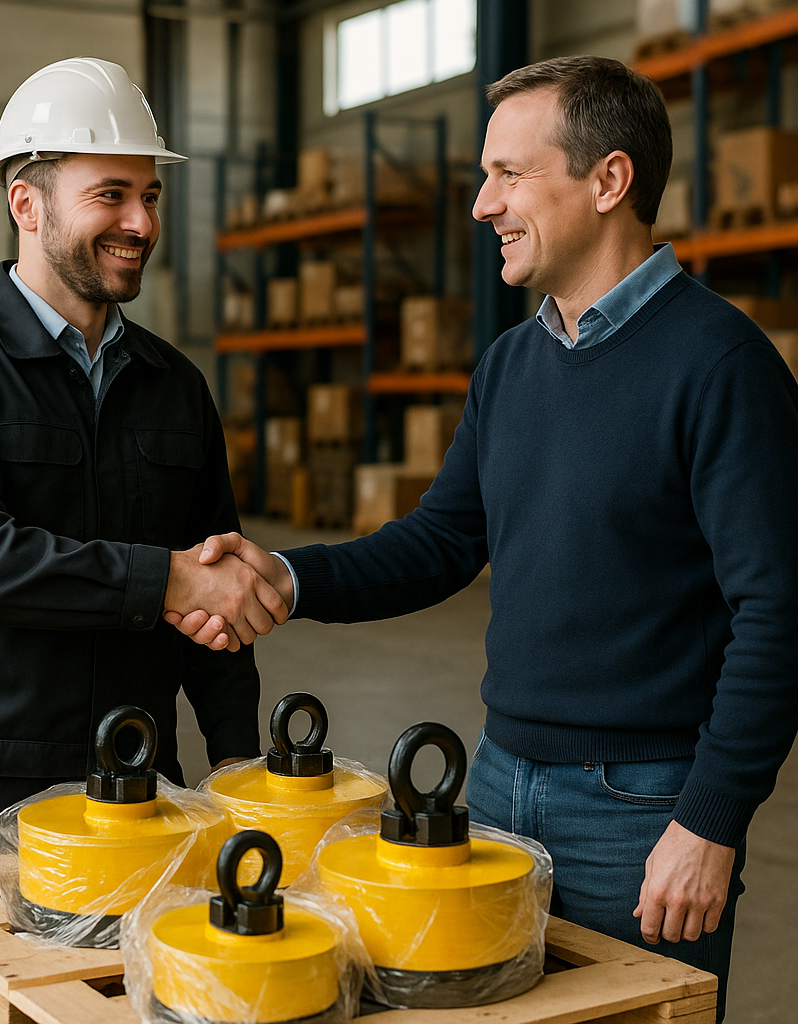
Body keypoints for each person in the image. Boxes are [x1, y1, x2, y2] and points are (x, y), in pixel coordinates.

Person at [167, 56, 798, 1022]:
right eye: (483, 174)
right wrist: (284, 579)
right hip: (495, 783)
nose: (480, 204)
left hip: (640, 810)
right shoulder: (511, 363)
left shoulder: (721, 367)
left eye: (509, 174)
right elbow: (442, 540)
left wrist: (709, 822)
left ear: (609, 180)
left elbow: (780, 610)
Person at [0, 57, 285, 1024]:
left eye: (150, 194)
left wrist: (233, 777)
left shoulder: (173, 385)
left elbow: (214, 585)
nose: (140, 222)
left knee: (128, 1009)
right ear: (26, 202)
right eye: (110, 195)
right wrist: (168, 575)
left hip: (136, 784)